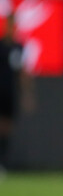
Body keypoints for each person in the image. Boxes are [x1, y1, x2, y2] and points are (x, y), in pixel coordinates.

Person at [0, 12, 35, 174]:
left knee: (7, 128)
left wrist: (27, 94)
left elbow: (22, 72)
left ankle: (2, 163)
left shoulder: (18, 47)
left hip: (10, 92)